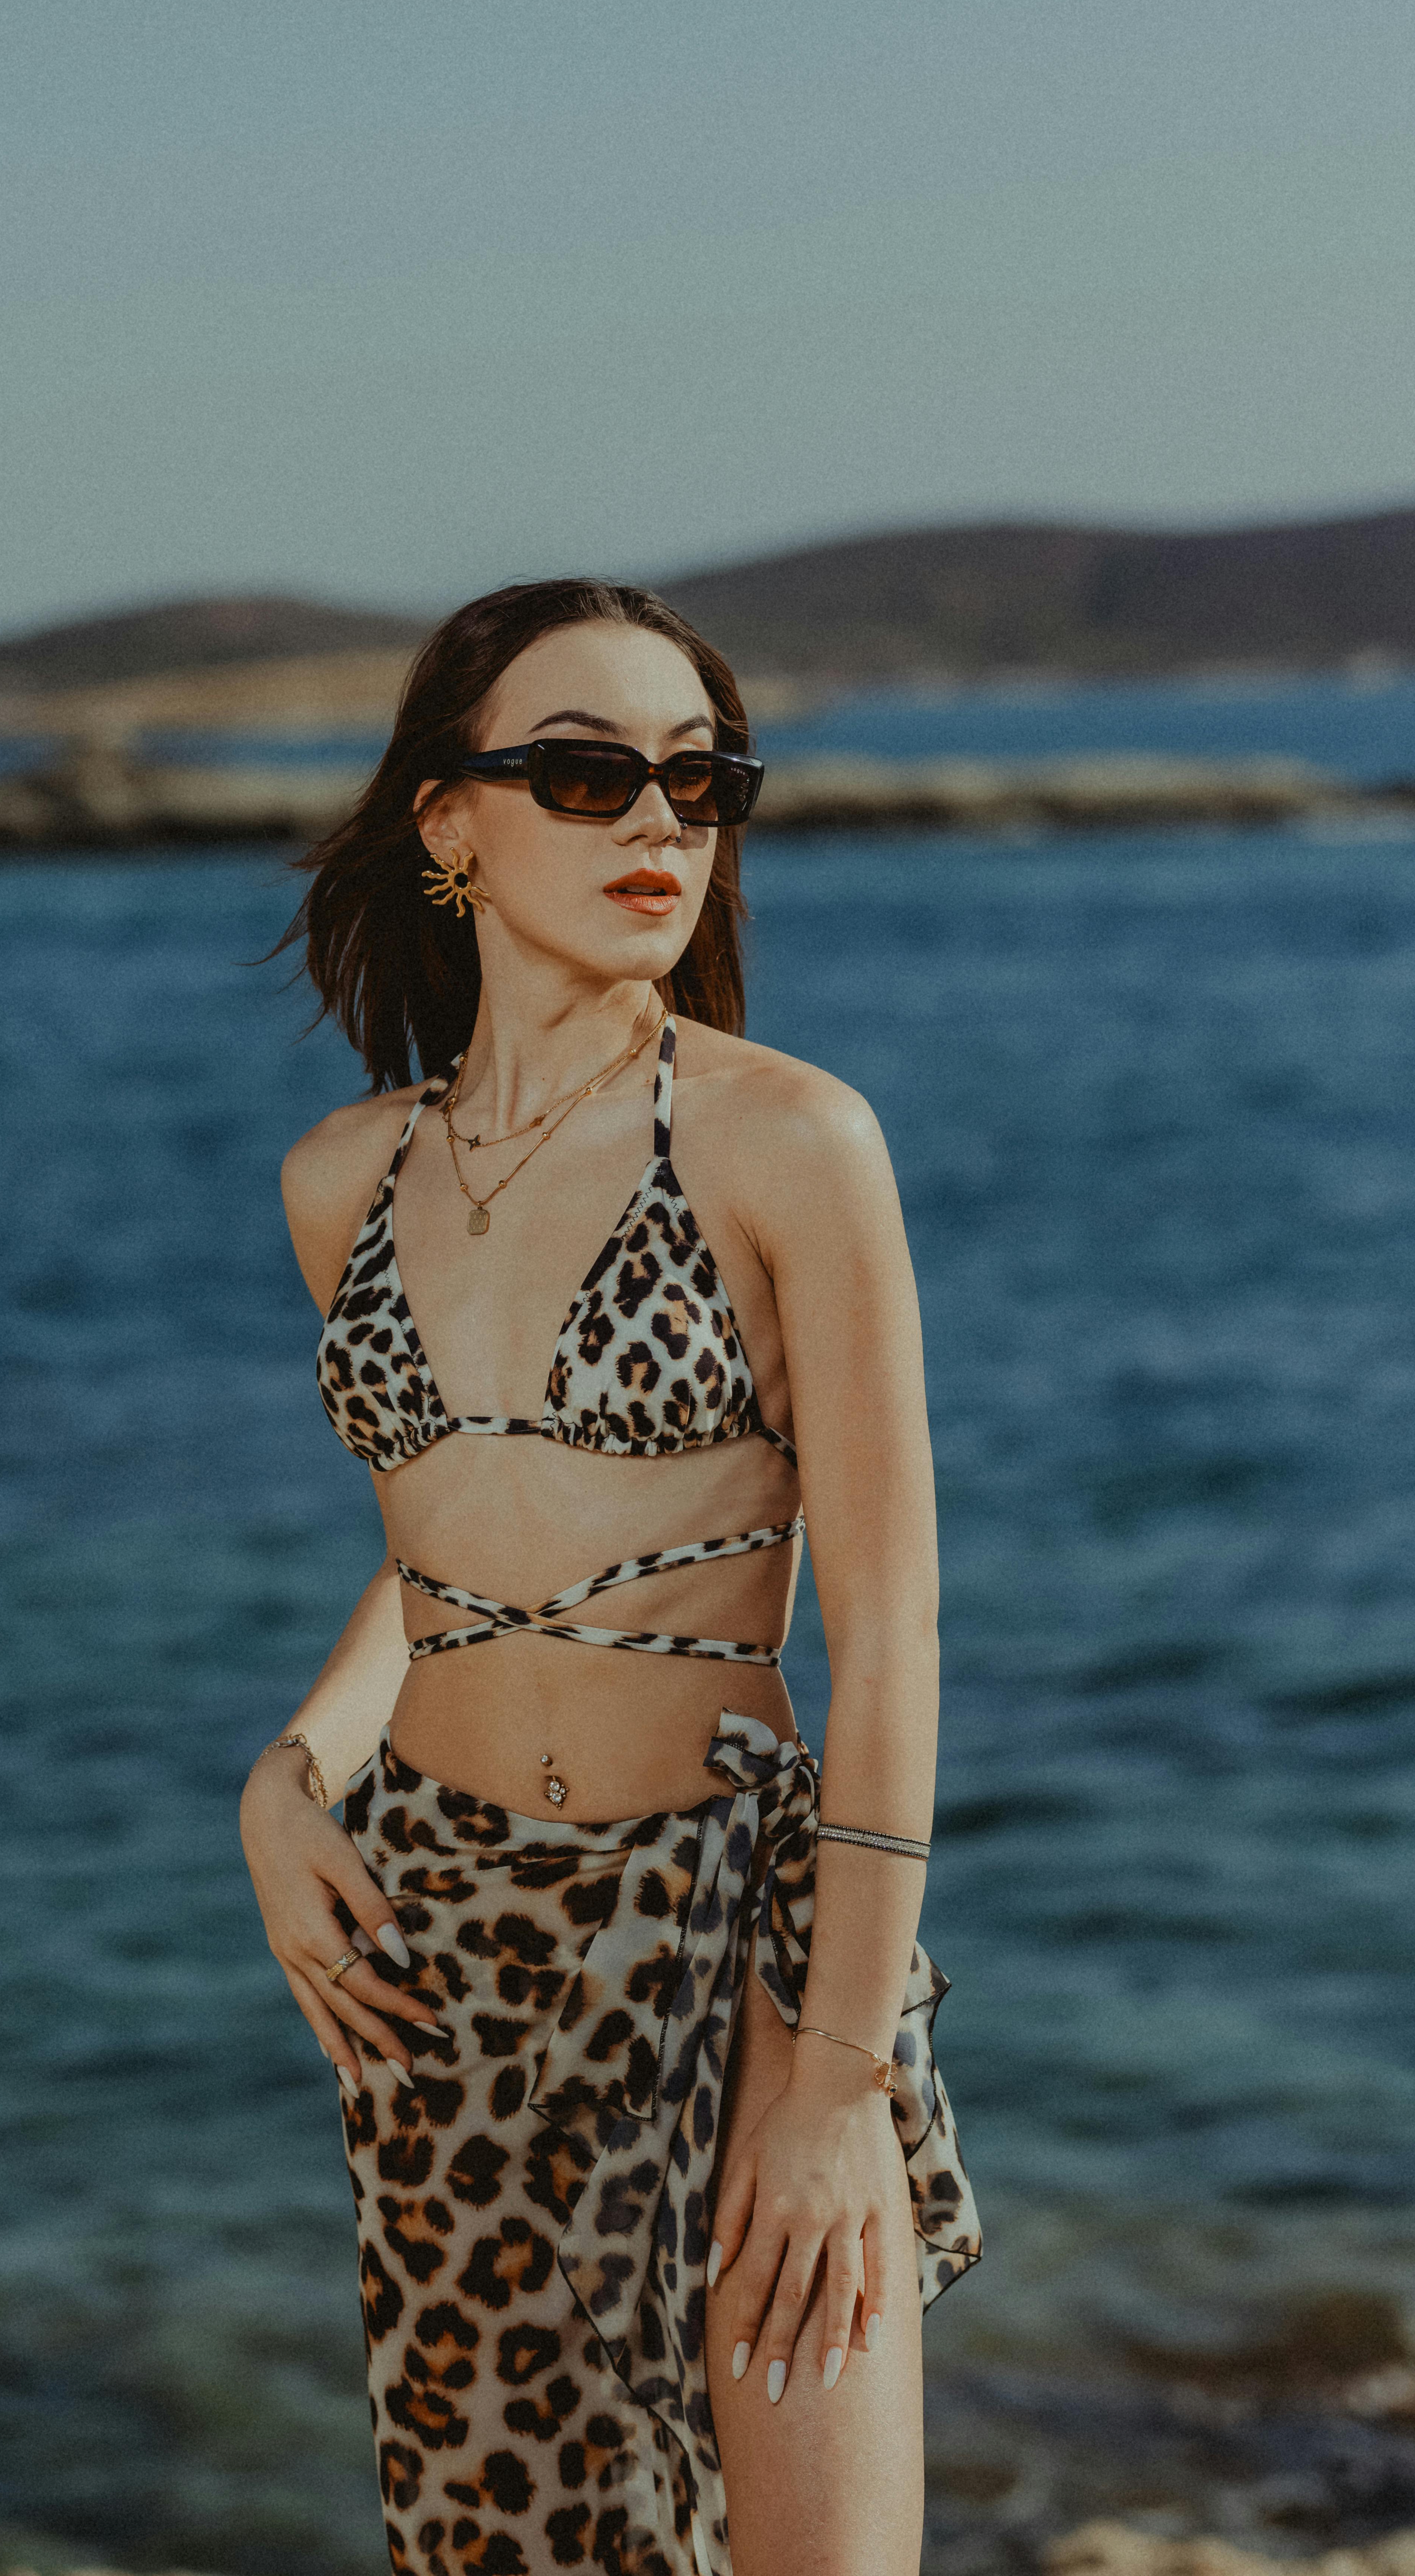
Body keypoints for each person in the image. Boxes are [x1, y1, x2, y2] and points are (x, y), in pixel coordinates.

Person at [240, 577, 979, 2576]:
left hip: (739, 1940)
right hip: (449, 1944)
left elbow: (889, 1618)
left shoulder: (787, 1143)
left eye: (695, 777)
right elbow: (453, 1561)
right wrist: (289, 1772)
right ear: (447, 823)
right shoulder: (346, 1179)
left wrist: (830, 2084)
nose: (657, 822)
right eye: (585, 775)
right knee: (505, 2547)